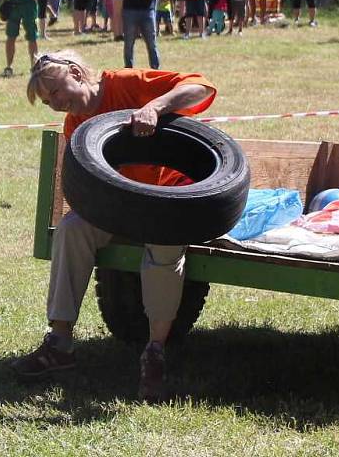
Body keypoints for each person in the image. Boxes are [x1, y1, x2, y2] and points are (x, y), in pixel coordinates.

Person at [18, 50, 217, 403]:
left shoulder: (125, 84)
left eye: (57, 92)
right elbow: (82, 186)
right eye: (48, 101)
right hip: (119, 209)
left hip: (166, 199)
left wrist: (155, 107)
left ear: (77, 73)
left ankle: (154, 351)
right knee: (72, 228)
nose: (55, 104)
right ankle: (60, 343)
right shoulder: (75, 124)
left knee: (165, 245)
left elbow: (201, 87)